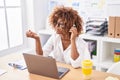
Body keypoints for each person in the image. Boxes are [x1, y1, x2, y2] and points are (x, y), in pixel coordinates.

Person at [26, 6, 90, 68]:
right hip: (58, 72)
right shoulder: (55, 37)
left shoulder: (80, 43)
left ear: (70, 26)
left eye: (61, 24)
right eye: (56, 23)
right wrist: (37, 39)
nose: (56, 26)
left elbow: (75, 64)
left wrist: (72, 40)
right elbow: (41, 55)